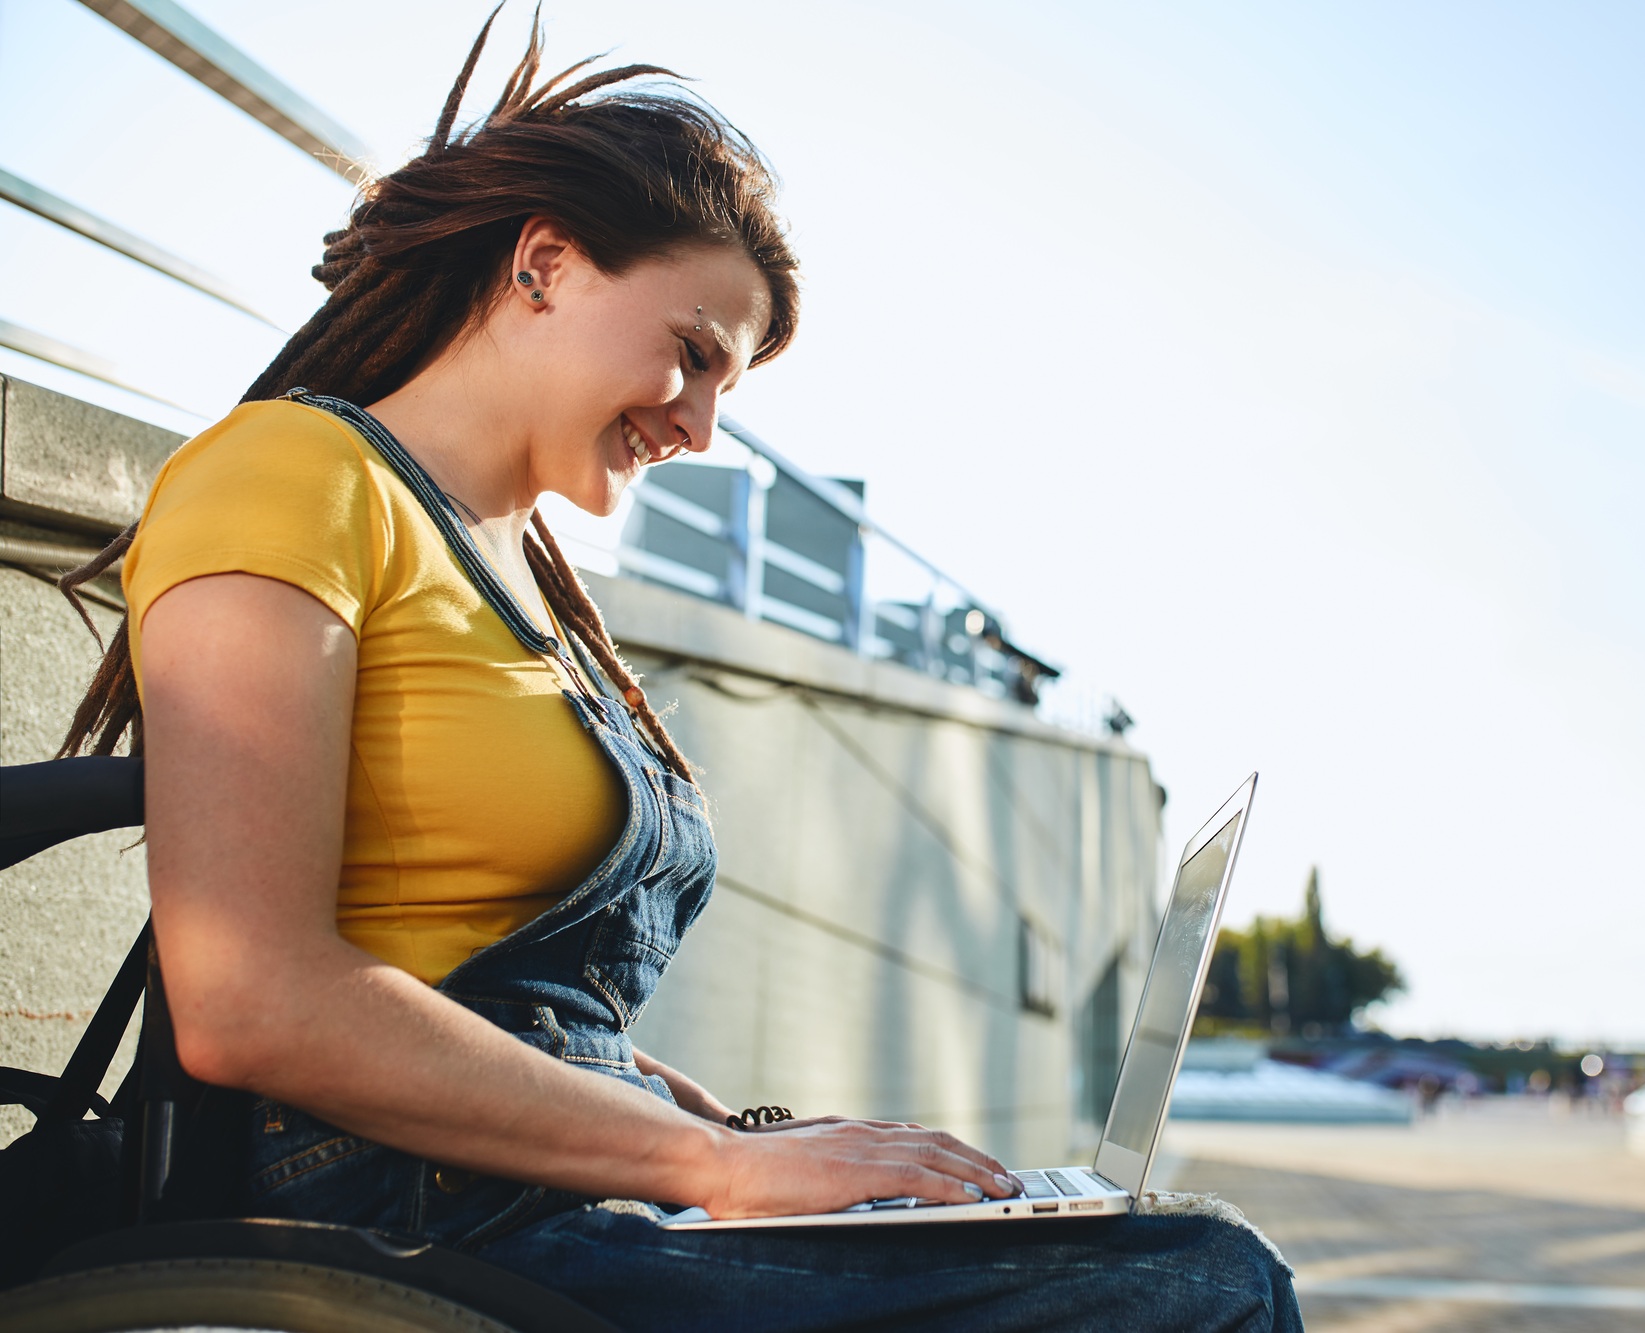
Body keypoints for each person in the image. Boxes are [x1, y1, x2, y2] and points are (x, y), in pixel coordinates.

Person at [53, 11, 1299, 1331]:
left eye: (729, 392)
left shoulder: (527, 578)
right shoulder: (293, 475)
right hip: (411, 1229)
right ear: (543, 263)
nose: (701, 425)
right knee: (1199, 1288)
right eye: (695, 351)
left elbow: (512, 999)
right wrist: (716, 1164)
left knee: (1173, 1247)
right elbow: (254, 1003)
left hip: (558, 1199)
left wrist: (762, 1137)